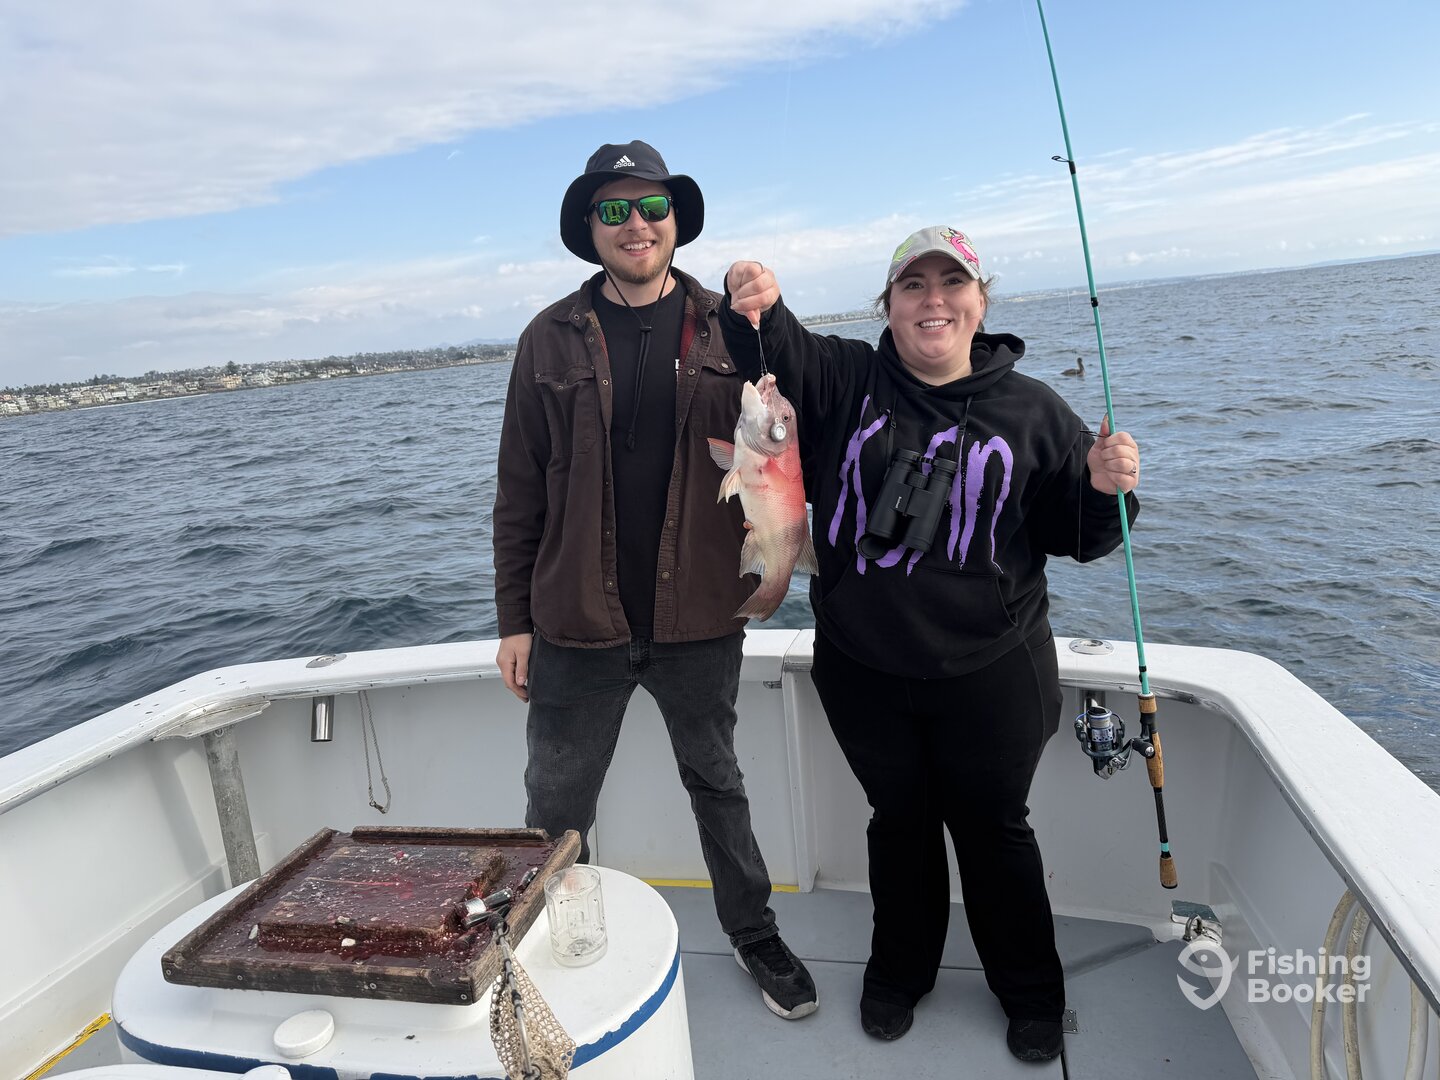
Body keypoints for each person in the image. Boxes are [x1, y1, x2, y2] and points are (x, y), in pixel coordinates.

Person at [720, 226, 1141, 1061]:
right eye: (914, 285)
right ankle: (899, 971)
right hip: (863, 665)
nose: (934, 300)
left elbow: (1081, 537)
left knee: (994, 831)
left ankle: (1028, 991)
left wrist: (1105, 489)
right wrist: (755, 300)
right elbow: (775, 349)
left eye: (953, 284)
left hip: (993, 672)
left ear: (981, 303)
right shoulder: (847, 378)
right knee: (899, 823)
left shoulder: (1033, 410)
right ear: (889, 304)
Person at [491, 140, 818, 1020]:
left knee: (718, 781)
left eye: (652, 206)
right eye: (614, 209)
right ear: (590, 228)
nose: (636, 223)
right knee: (555, 803)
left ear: (676, 219)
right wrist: (511, 620)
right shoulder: (546, 337)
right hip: (573, 621)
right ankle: (544, 946)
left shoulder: (732, 329)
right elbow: (518, 488)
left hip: (702, 615)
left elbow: (796, 431)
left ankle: (754, 934)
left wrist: (772, 317)